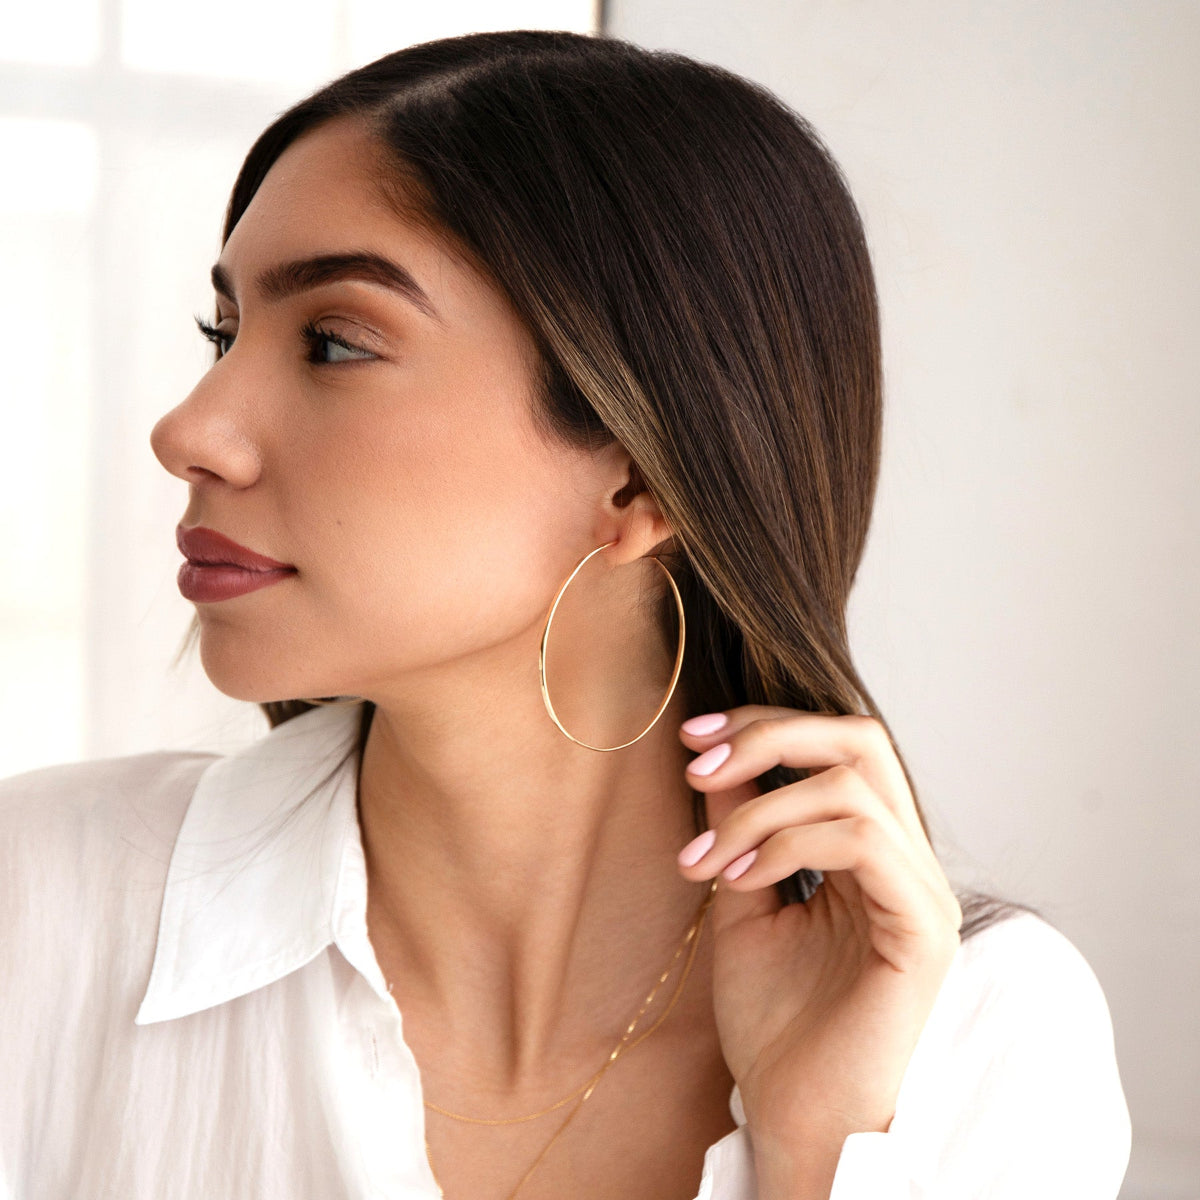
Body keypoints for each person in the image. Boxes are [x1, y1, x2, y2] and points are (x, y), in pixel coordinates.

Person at [0, 28, 1131, 1200]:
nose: (188, 430)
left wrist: (819, 1153)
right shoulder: (40, 909)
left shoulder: (974, 1034)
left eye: (333, 342)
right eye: (224, 334)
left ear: (638, 477)